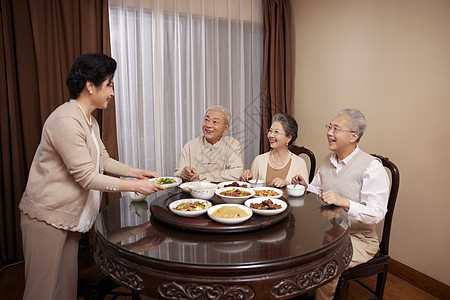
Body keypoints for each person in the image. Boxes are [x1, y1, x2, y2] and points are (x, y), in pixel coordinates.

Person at [19, 53, 165, 300]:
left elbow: (103, 160)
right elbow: (87, 177)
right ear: (90, 85)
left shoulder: (89, 121)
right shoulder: (66, 120)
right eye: (109, 85)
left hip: (67, 217)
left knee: (65, 290)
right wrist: (136, 186)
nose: (112, 93)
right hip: (46, 216)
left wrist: (136, 172)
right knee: (40, 292)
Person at [292, 108, 390, 300]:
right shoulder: (328, 160)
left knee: (326, 263)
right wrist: (306, 187)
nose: (329, 133)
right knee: (298, 250)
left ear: (354, 136)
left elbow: (376, 213)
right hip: (329, 232)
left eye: (336, 129)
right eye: (329, 127)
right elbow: (319, 193)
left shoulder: (372, 167)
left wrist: (345, 202)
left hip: (359, 238)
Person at [173, 105, 243, 182]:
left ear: (225, 128)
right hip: (194, 192)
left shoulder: (233, 144)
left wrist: (202, 177)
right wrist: (183, 174)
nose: (208, 125)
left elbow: (237, 173)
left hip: (223, 192)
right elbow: (177, 174)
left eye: (215, 122)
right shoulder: (191, 145)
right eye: (206, 120)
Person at [241, 113, 308, 187]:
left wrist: (287, 184)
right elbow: (250, 189)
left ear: (288, 138)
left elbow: (303, 192)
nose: (271, 135)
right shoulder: (259, 160)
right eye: (270, 131)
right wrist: (246, 177)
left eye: (276, 132)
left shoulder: (299, 163)